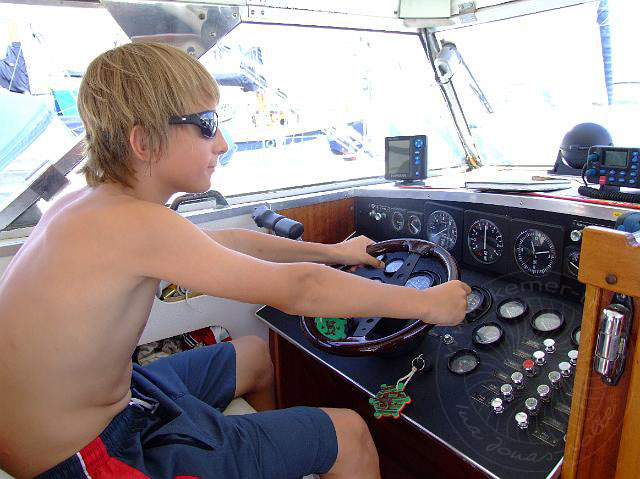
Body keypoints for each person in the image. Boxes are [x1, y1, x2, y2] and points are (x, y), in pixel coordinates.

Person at [0, 43, 470, 479]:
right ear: (143, 142)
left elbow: (230, 241)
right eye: (206, 124)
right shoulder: (132, 224)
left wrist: (334, 252)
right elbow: (302, 291)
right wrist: (430, 304)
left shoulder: (92, 204)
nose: (221, 142)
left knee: (254, 356)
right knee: (351, 435)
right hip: (81, 456)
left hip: (97, 408)